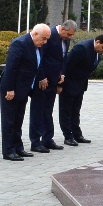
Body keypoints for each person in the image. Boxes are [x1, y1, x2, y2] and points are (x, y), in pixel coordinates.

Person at [0, 23, 50, 161]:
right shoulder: (20, 44)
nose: (45, 42)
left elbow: (37, 65)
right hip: (11, 89)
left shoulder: (37, 46)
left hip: (24, 89)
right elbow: (11, 68)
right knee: (9, 121)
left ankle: (18, 148)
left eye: (47, 39)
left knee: (18, 120)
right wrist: (10, 89)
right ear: (35, 34)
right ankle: (8, 151)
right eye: (44, 38)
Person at [29, 19, 77, 153]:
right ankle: (35, 141)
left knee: (48, 111)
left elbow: (63, 58)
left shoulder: (65, 39)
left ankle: (47, 139)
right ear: (62, 28)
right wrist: (41, 77)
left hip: (54, 80)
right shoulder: (48, 35)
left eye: (72, 35)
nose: (70, 37)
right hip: (42, 81)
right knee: (38, 111)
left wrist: (62, 74)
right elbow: (39, 58)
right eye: (68, 34)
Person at [59, 34, 103, 145]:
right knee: (66, 111)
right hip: (69, 84)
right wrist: (61, 84)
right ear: (97, 42)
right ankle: (68, 136)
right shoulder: (81, 48)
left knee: (75, 111)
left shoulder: (97, 53)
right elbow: (67, 65)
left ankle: (77, 135)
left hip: (80, 85)